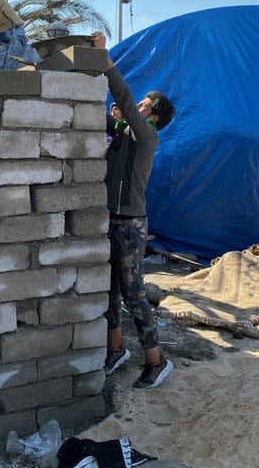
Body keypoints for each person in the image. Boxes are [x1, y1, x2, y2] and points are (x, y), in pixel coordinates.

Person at [91, 31, 176, 389]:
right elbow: (106, 115)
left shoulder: (148, 136)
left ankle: (156, 359)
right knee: (109, 290)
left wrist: (107, 63)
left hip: (129, 223)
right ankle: (116, 350)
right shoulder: (124, 131)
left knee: (133, 292)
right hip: (108, 218)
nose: (135, 106)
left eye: (143, 105)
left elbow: (123, 99)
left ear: (152, 116)